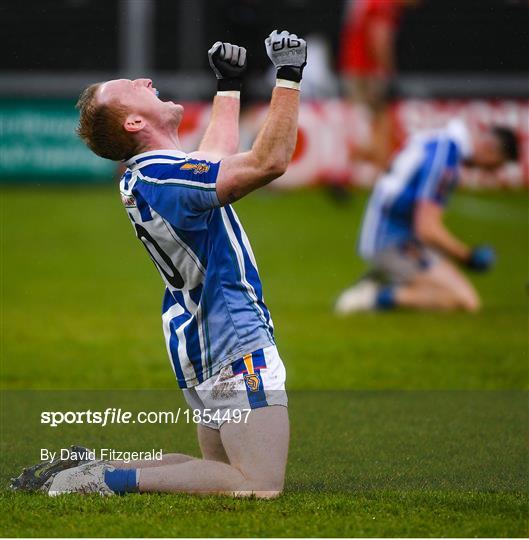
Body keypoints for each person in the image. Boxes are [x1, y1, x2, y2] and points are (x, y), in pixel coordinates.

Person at [12, 30, 307, 498]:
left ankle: (92, 467)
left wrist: (228, 86)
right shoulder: (161, 175)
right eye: (133, 85)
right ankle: (104, 479)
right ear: (132, 122)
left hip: (202, 341)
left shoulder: (152, 173)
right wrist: (288, 76)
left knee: (220, 471)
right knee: (258, 484)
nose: (146, 78)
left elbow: (213, 159)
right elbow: (267, 162)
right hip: (233, 341)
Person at [334, 119, 519, 314]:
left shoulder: (440, 141)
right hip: (391, 238)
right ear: (490, 150)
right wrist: (468, 256)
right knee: (464, 300)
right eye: (495, 166)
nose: (491, 173)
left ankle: (387, 277)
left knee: (460, 294)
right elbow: (427, 229)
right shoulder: (445, 159)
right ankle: (371, 296)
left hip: (392, 231)